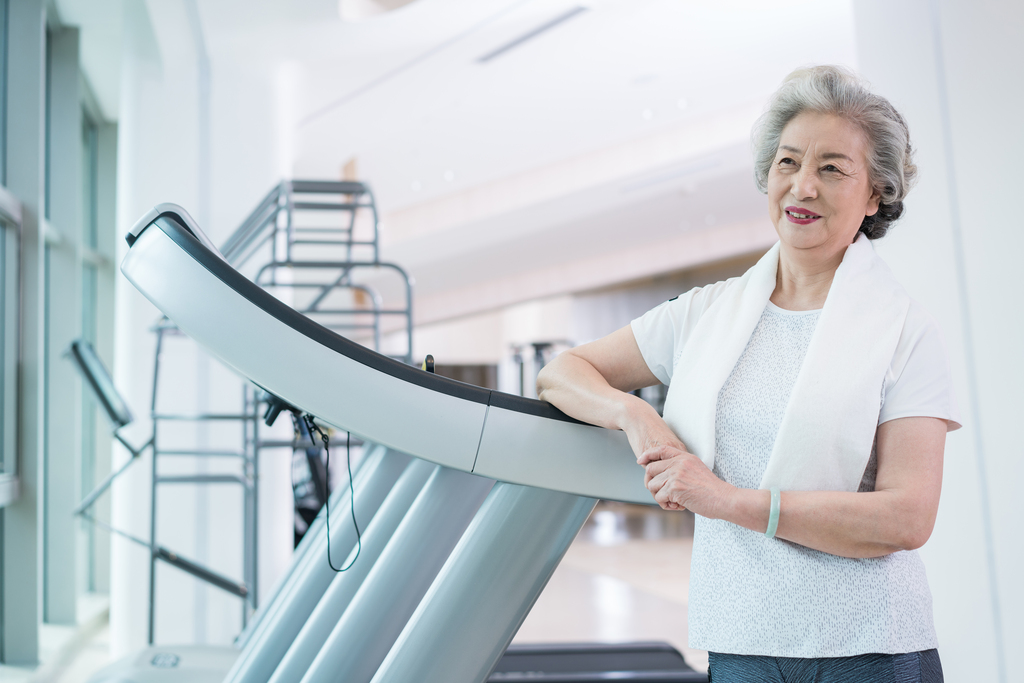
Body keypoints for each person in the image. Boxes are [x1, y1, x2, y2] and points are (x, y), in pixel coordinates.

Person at [536, 65, 959, 683]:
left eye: (832, 168)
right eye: (788, 162)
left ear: (875, 196)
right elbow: (561, 373)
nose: (802, 187)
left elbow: (908, 517)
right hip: (741, 642)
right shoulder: (705, 313)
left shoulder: (905, 331)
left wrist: (728, 501)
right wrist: (636, 414)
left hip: (870, 650)